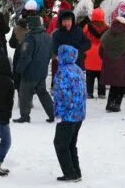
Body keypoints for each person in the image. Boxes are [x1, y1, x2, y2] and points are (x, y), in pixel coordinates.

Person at [52, 44, 87, 182]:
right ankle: (76, 172)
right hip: (79, 114)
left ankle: (70, 174)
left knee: (60, 144)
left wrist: (59, 114)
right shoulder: (78, 69)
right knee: (71, 144)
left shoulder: (62, 72)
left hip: (68, 114)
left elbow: (63, 95)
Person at [99, 16, 125, 112]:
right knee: (121, 84)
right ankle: (117, 104)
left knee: (113, 85)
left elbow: (101, 51)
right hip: (121, 63)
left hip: (108, 62)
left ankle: (109, 104)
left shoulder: (106, 34)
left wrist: (107, 58)